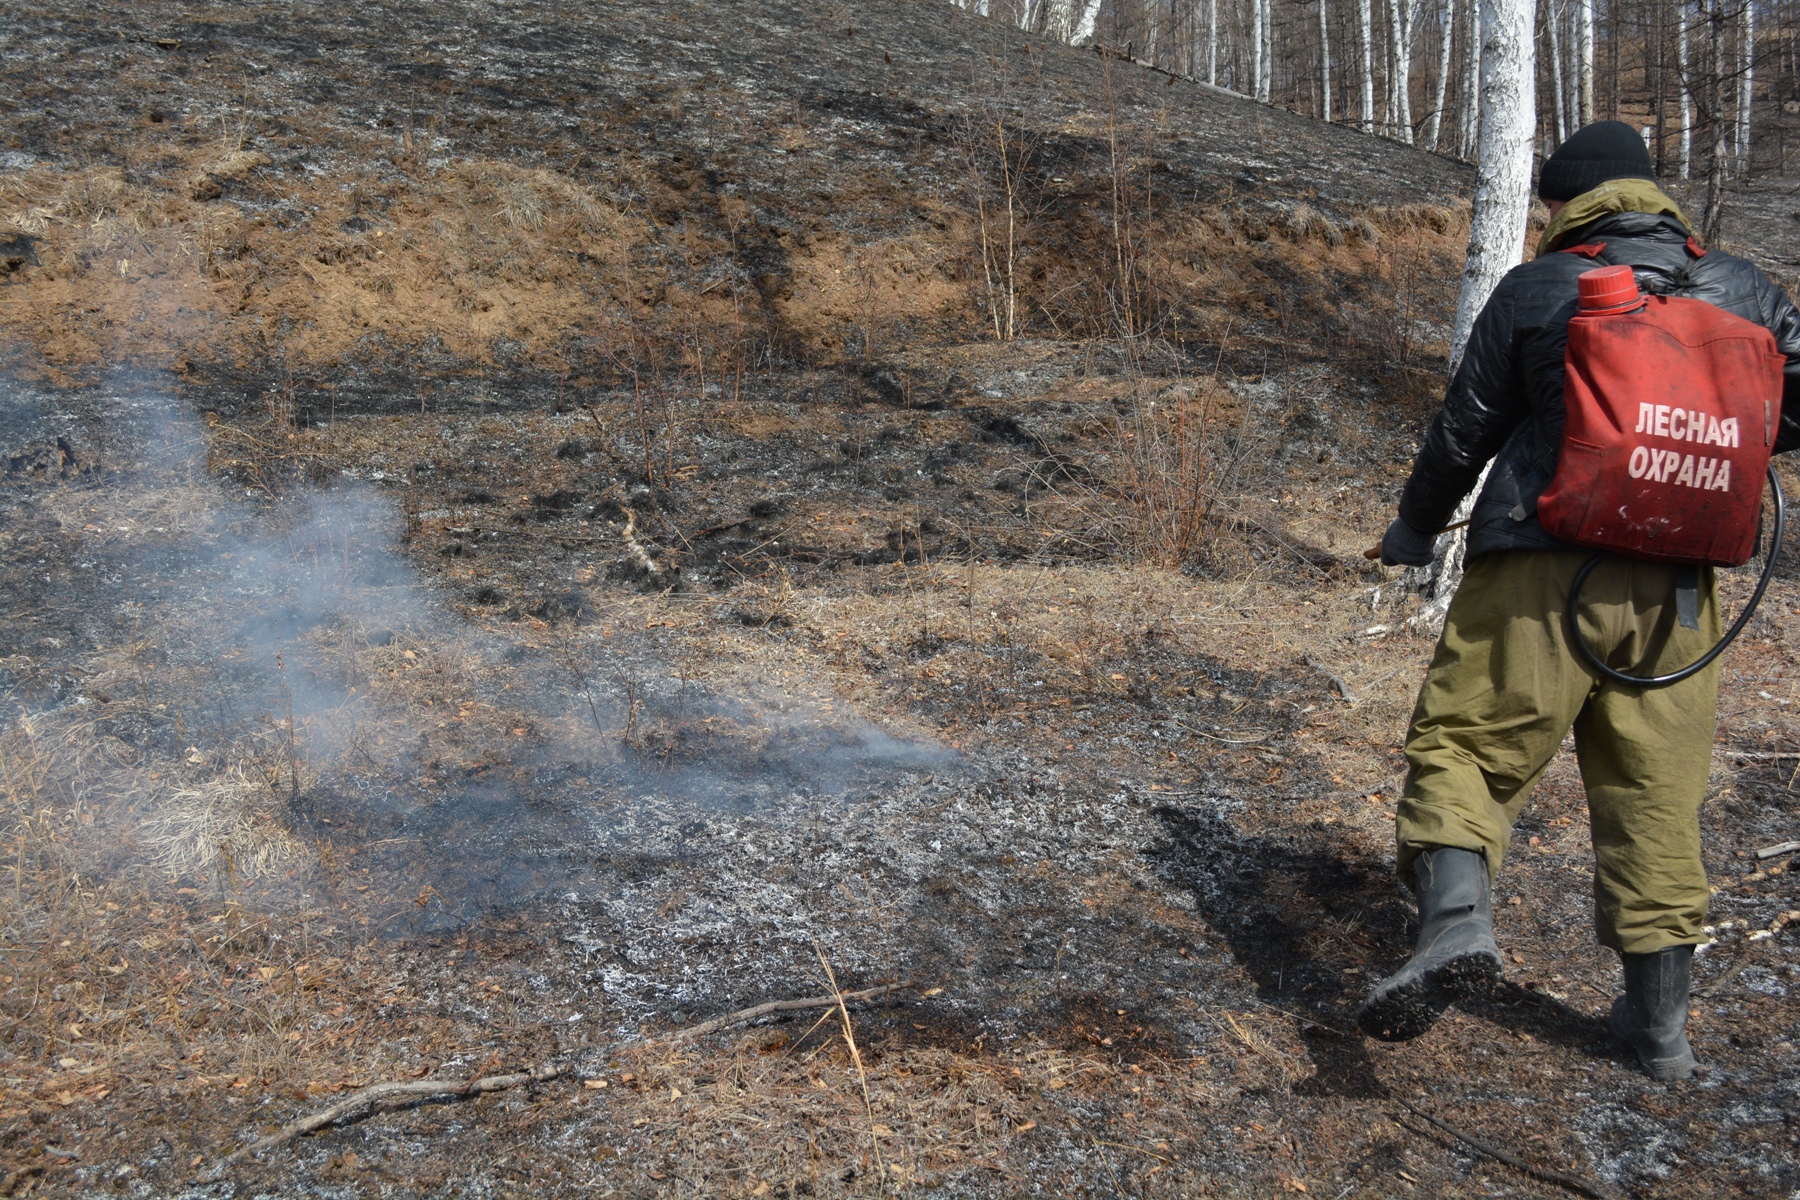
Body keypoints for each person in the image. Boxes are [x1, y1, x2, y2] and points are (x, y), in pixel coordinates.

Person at [1357, 120, 1800, 1080]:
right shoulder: (1748, 289)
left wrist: (1413, 528)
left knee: (1470, 745)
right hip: (1679, 587)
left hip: (1540, 563)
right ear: (1655, 198)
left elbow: (1463, 428)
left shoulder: (1539, 285)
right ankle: (1660, 1033)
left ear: (1564, 204)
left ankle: (1456, 926)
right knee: (1656, 793)